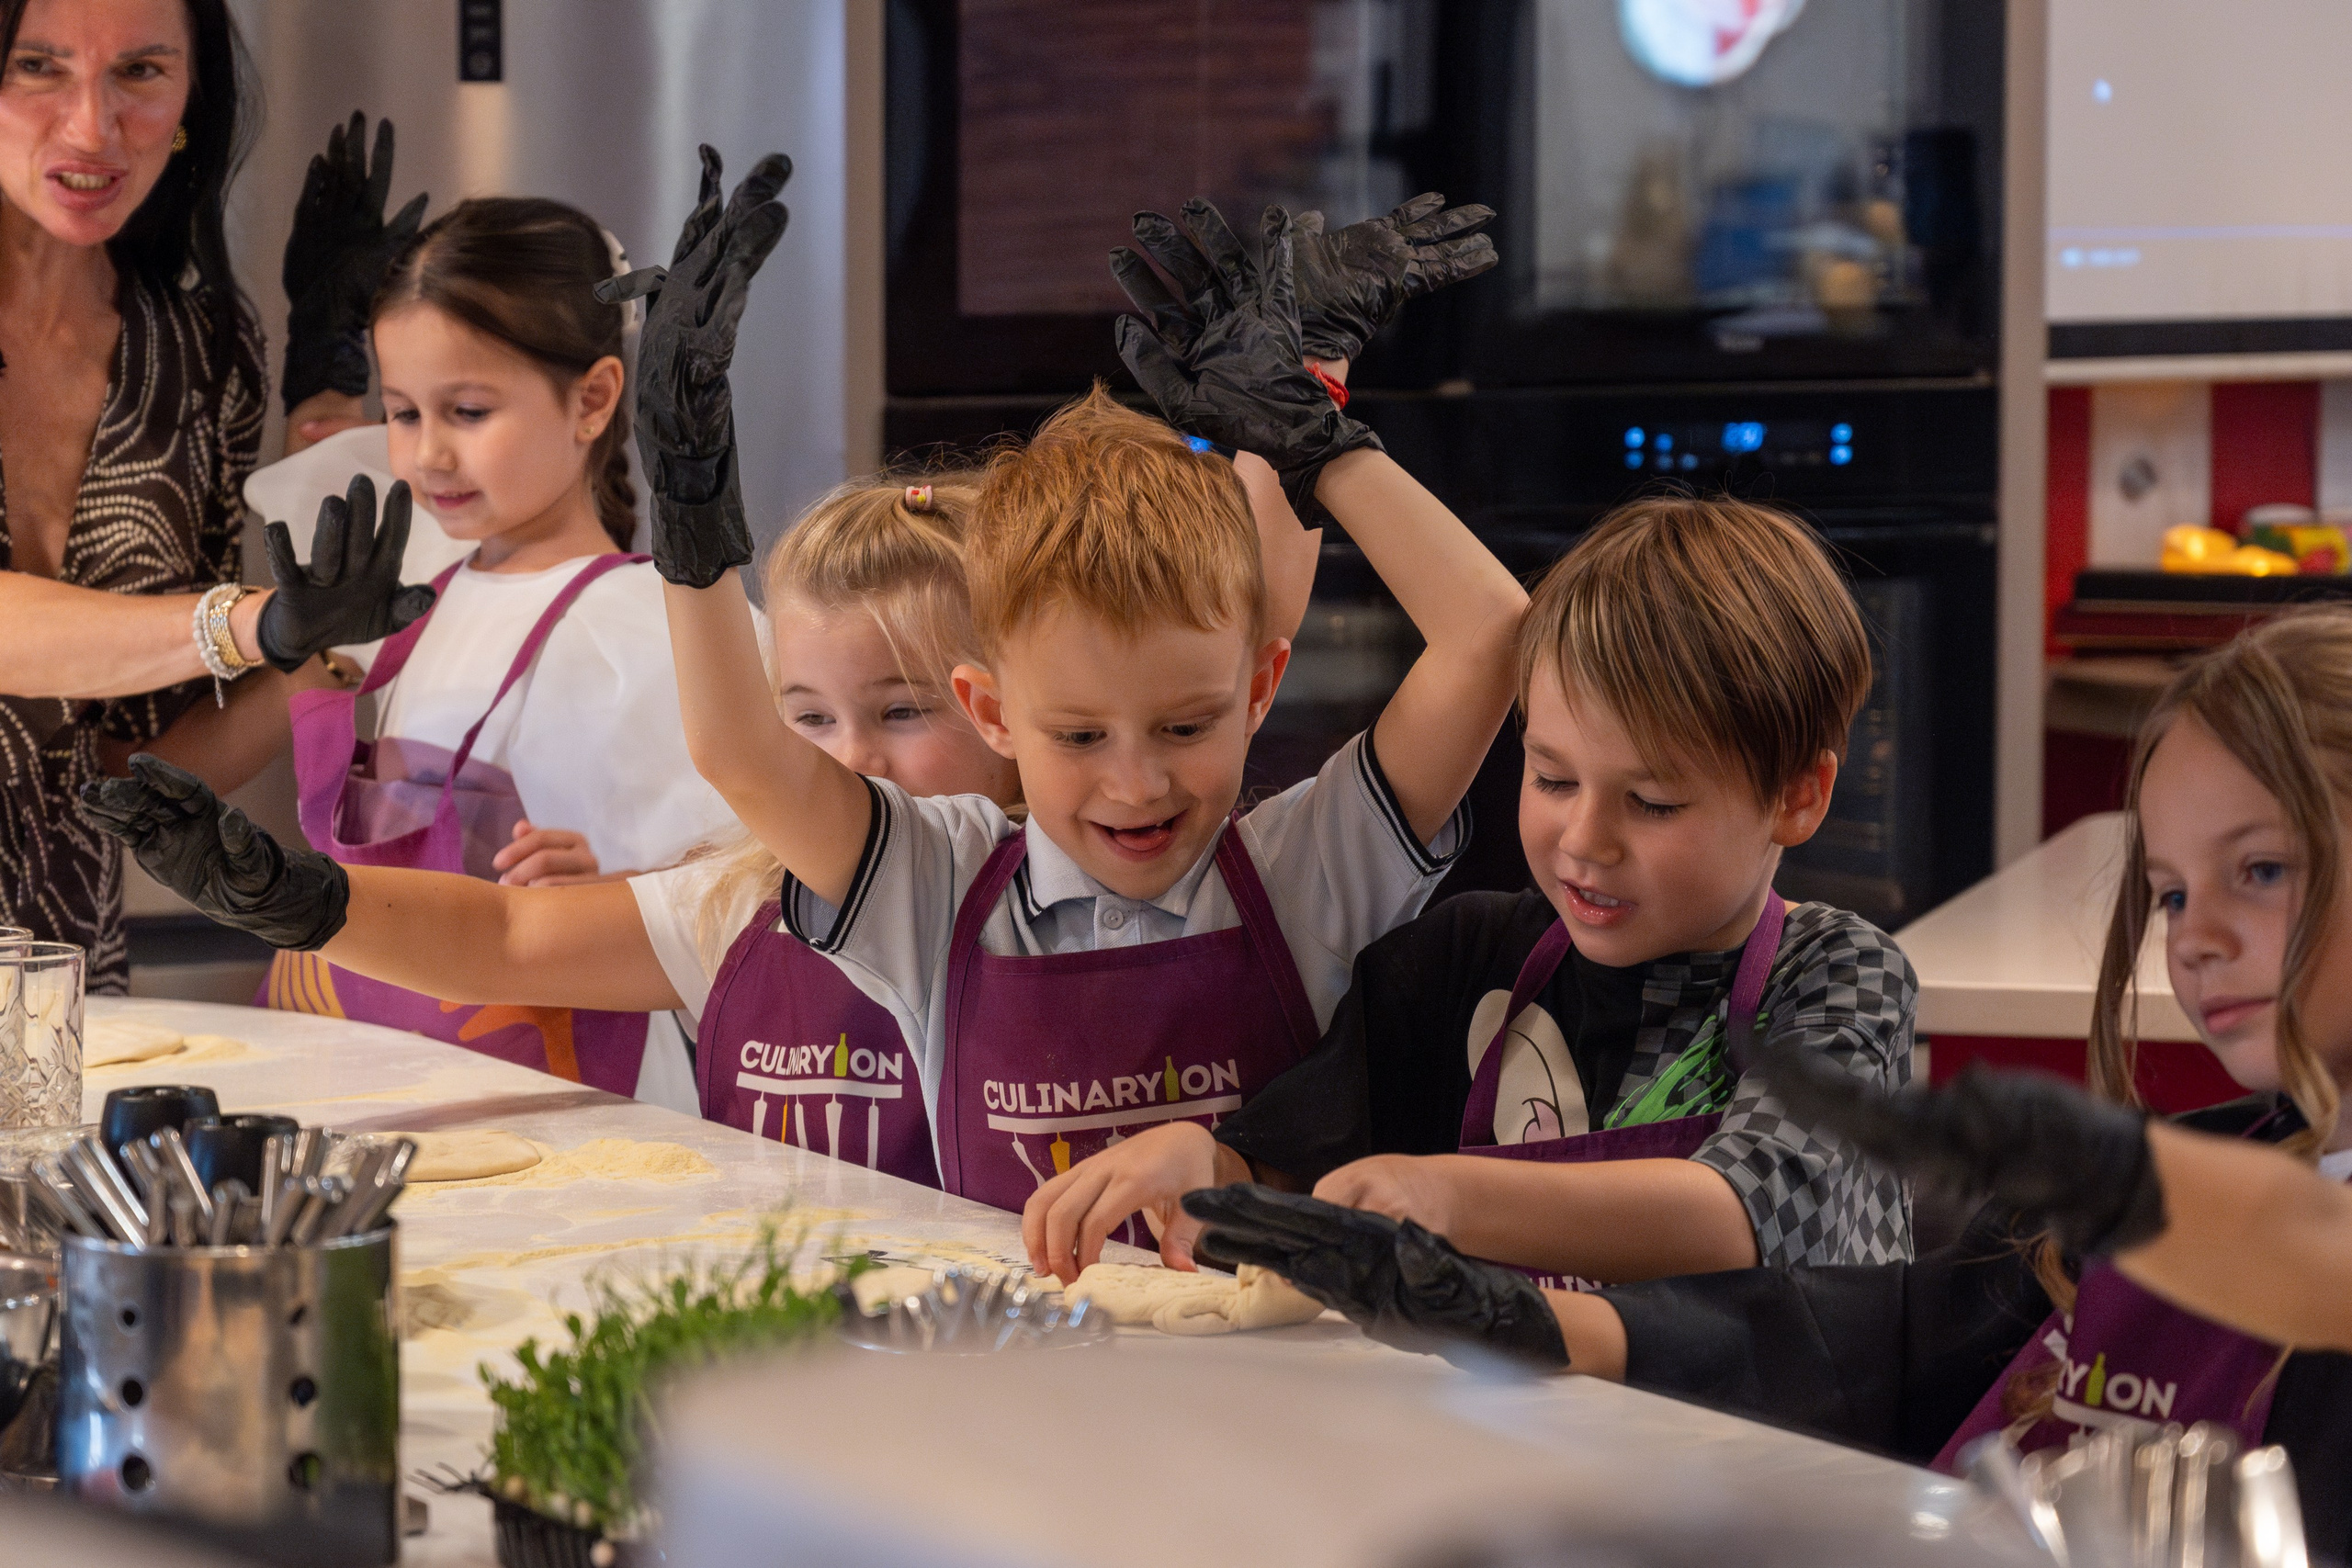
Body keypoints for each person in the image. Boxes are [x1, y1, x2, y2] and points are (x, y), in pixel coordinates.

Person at [1181, 608, 2352, 1558]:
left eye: (2257, 869)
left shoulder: (2210, 1204)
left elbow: (2314, 1260)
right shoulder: (2204, 1171)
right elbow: (1865, 1343)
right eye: (2173, 892)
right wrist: (1532, 1324)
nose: (2194, 938)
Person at [635, 157, 1527, 1222]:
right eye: (1079, 736)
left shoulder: (1307, 870)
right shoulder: (936, 889)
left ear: (1261, 690)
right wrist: (687, 508)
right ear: (993, 714)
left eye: (1185, 724)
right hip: (1005, 1380)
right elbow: (743, 752)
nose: (1137, 782)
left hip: (1276, 1384)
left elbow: (1491, 633)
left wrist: (1317, 441)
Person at [1026, 494, 1914, 1284]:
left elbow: (1743, 1213)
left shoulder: (1840, 975)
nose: (1583, 839)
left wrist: (1444, 1192)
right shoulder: (1467, 960)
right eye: (1554, 779)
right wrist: (1204, 1166)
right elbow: (1283, 1168)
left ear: (1797, 797)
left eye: (1652, 802)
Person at [78, 472, 1023, 1157]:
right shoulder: (740, 903)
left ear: (1006, 712)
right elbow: (508, 934)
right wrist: (294, 901)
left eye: (902, 712)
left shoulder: (1045, 906)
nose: (848, 760)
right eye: (807, 718)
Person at [254, 195, 737, 1107]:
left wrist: (611, 893)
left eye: (469, 411)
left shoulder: (654, 629)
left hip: (575, 1119)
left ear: (593, 399)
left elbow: (752, 911)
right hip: (385, 1090)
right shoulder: (420, 598)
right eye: (402, 413)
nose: (428, 454)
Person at [0, 1, 417, 986]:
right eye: (37, 66)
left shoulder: (201, 353)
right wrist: (250, 624)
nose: (92, 129)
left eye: (140, 71)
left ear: (194, 96)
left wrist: (328, 643)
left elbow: (126, 773)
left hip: (64, 999)